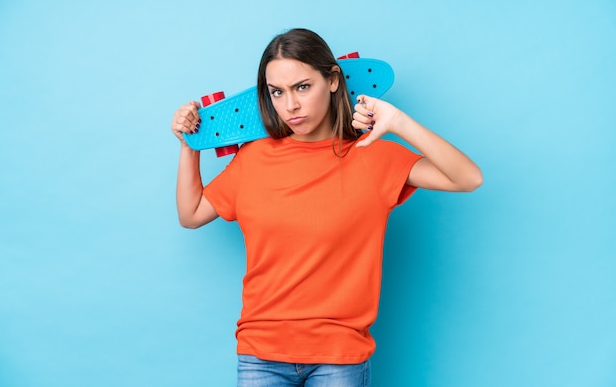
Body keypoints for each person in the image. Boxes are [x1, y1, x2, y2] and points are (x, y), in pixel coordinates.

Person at [171, 28, 483, 387]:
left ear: (333, 80)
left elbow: (468, 178)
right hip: (262, 353)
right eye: (277, 92)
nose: (291, 106)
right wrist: (190, 144)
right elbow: (191, 213)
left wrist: (398, 122)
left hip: (339, 355)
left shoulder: (373, 156)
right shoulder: (254, 159)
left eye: (303, 87)